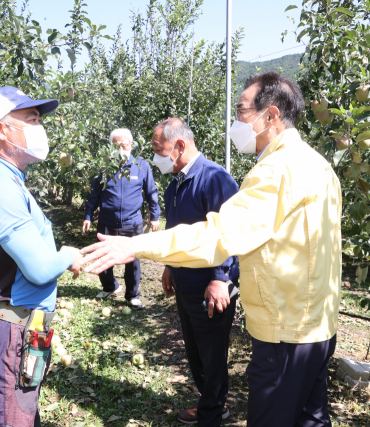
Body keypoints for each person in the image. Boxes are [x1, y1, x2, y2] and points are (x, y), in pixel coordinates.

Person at [81, 71, 342, 427]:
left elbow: (219, 235)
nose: (235, 121)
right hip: (317, 323)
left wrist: (136, 246)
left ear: (271, 115)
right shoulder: (317, 164)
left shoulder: (276, 171)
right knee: (310, 420)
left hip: (286, 331)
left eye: (241, 111)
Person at [0, 86, 83, 427]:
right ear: (1, 129)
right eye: (30, 119)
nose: (38, 127)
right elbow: (40, 268)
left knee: (21, 416)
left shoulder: (10, 181)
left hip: (20, 328)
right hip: (6, 333)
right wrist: (66, 254)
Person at [152, 118, 240, 426]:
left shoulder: (214, 178)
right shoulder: (175, 184)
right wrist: (168, 265)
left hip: (210, 284)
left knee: (213, 353)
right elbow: (177, 231)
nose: (155, 157)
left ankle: (211, 415)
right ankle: (213, 403)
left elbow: (232, 232)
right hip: (185, 282)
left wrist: (221, 277)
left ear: (179, 146)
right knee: (196, 350)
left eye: (157, 149)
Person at [82, 128, 160, 309]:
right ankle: (109, 287)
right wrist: (88, 215)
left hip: (132, 222)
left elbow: (151, 192)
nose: (120, 149)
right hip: (107, 220)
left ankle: (132, 295)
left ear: (131, 145)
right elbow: (93, 195)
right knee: (102, 254)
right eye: (115, 146)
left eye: (123, 145)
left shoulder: (141, 166)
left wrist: (154, 216)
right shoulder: (103, 167)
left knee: (133, 260)